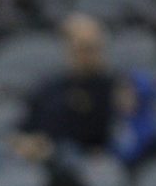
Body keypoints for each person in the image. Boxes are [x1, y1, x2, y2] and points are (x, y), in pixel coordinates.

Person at [12, 14, 116, 163]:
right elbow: (26, 124)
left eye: (90, 48)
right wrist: (24, 142)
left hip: (79, 158)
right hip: (37, 152)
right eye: (78, 48)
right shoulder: (50, 86)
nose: (84, 55)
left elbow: (102, 135)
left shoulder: (111, 88)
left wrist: (49, 147)